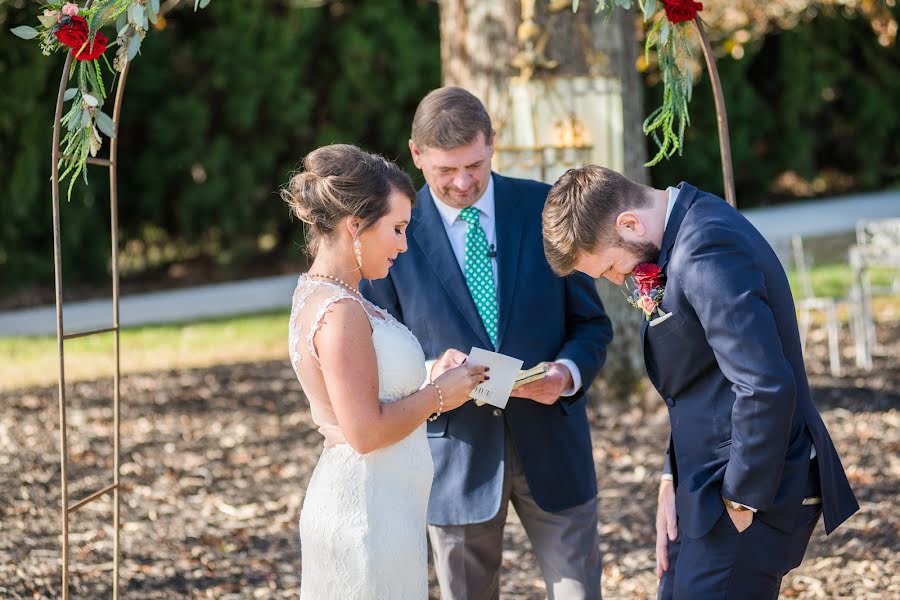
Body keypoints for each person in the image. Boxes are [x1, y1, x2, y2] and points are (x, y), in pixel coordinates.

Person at [541, 166, 859, 599]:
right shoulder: (679, 238)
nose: (619, 281)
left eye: (612, 267)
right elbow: (697, 382)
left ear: (629, 223)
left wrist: (741, 501)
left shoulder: (706, 245)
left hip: (748, 490)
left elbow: (763, 382)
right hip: (700, 488)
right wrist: (671, 478)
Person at [362, 87, 613, 600]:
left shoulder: (545, 208)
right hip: (454, 457)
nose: (462, 182)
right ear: (415, 155)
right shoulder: (392, 233)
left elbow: (592, 324)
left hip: (555, 448)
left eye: (474, 165)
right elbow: (378, 350)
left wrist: (567, 373)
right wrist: (431, 371)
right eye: (444, 171)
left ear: (492, 142)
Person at [282, 143, 488, 599]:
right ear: (355, 225)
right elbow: (365, 432)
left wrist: (434, 371)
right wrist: (439, 395)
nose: (403, 244)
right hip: (364, 517)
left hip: (385, 507)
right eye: (396, 229)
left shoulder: (332, 295)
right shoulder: (341, 311)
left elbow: (365, 390)